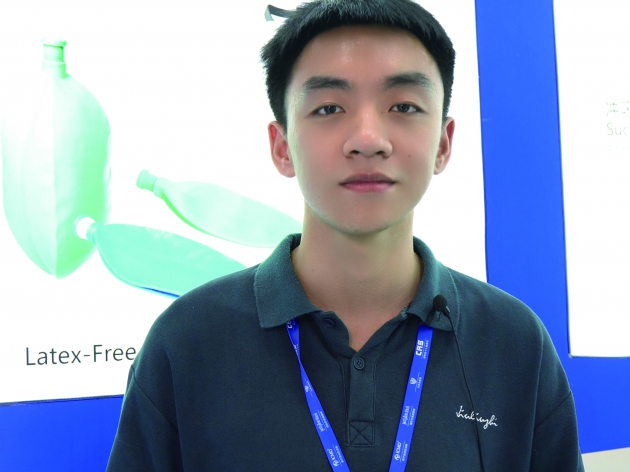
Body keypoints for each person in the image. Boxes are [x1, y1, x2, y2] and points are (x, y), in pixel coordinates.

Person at [106, 0, 584, 470]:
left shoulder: (514, 344)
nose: (368, 139)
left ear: (443, 143)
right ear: (282, 147)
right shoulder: (186, 342)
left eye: (404, 106)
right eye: (329, 107)